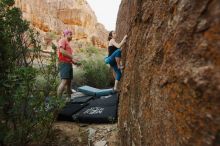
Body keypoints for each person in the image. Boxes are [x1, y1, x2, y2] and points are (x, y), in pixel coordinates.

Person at [57, 29, 77, 98]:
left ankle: (69, 99)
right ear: (66, 34)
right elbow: (61, 51)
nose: (72, 36)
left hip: (68, 63)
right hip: (64, 63)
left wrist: (74, 62)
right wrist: (72, 57)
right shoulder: (62, 40)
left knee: (69, 83)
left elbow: (68, 56)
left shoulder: (68, 44)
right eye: (70, 34)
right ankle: (58, 102)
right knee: (64, 81)